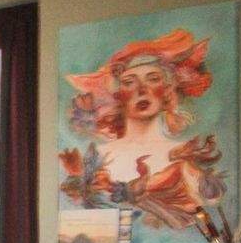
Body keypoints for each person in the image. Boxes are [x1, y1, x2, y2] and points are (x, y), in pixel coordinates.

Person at [59, 28, 226, 230]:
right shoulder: (97, 157)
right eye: (129, 82)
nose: (141, 89)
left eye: (153, 79)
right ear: (119, 95)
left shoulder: (184, 160)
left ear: (167, 91)